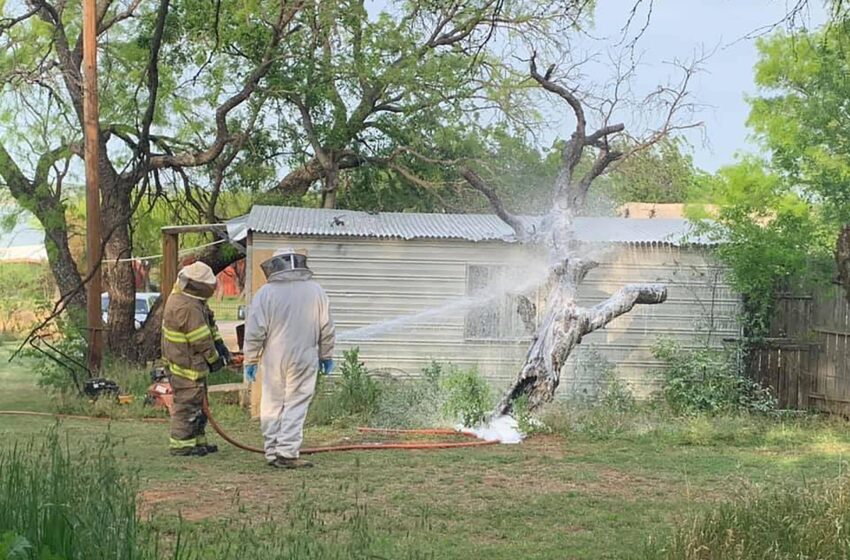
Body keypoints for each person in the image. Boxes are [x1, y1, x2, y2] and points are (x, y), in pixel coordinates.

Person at [243, 248, 335, 469]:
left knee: (272, 402)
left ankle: (272, 451)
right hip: (305, 355)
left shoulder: (266, 293)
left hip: (274, 358)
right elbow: (327, 327)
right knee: (296, 402)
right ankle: (287, 452)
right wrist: (326, 355)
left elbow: (255, 330)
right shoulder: (316, 290)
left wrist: (251, 359)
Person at [161, 261, 225, 456]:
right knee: (187, 405)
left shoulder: (193, 301)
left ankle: (197, 441)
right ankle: (182, 445)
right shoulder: (185, 306)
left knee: (198, 404)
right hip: (185, 365)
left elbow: (209, 326)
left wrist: (221, 344)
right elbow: (200, 339)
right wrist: (215, 359)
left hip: (190, 363)